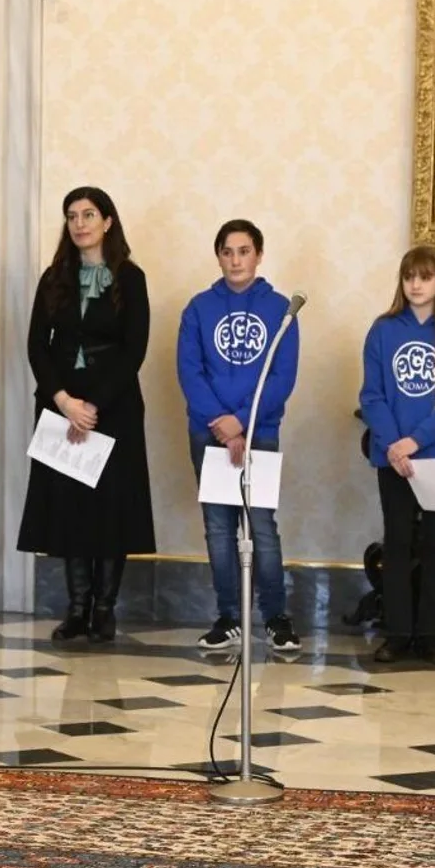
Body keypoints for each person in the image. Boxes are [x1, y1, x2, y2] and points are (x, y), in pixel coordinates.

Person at [18, 186, 155, 642]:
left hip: (111, 407)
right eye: (72, 216)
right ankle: (76, 608)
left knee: (110, 509)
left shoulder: (130, 278)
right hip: (62, 404)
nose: (79, 223)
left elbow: (134, 348)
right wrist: (63, 401)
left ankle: (104, 608)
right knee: (69, 508)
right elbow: (38, 344)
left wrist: (92, 404)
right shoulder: (53, 277)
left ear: (108, 222)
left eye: (89, 215)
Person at [175, 219, 301, 654]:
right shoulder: (198, 308)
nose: (235, 260)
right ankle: (228, 615)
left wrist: (243, 424)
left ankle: (276, 618)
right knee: (217, 528)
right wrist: (221, 424)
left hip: (260, 434)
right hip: (208, 434)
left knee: (261, 528)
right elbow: (189, 372)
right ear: (218, 256)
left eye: (243, 251)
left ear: (259, 255)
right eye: (227, 251)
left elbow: (282, 378)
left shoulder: (282, 310)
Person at [359, 245, 435, 664]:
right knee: (398, 543)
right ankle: (396, 633)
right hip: (393, 458)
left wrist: (416, 441)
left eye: (424, 277)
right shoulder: (383, 330)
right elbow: (372, 396)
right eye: (409, 277)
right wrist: (394, 443)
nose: (416, 285)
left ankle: (431, 634)